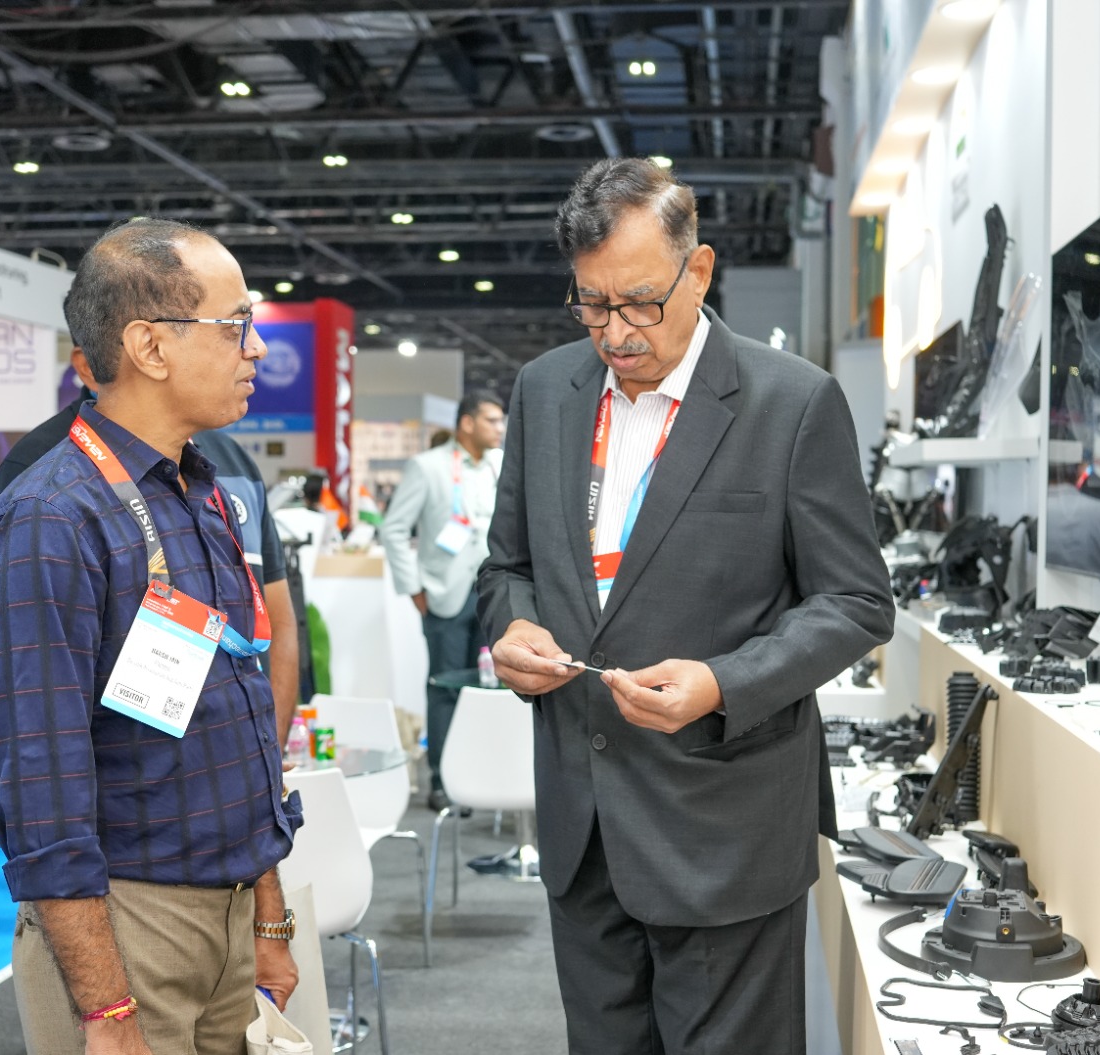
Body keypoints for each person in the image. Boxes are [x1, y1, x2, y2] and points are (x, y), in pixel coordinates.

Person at [478, 158, 895, 1054]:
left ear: (697, 271)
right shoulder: (545, 391)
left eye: (640, 302)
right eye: (592, 304)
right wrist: (512, 625)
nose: (616, 333)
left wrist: (723, 682)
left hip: (724, 830)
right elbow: (507, 565)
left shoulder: (793, 402)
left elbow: (857, 601)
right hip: (583, 827)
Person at [0, 217, 301, 1054]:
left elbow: (240, 722)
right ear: (150, 346)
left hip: (229, 917)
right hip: (127, 924)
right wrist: (106, 1006)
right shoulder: (51, 519)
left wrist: (269, 914)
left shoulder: (202, 492)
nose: (257, 347)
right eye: (236, 324)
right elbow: (40, 786)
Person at [0, 352, 301, 747]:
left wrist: (271, 750)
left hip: (236, 754)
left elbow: (278, 616)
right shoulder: (42, 476)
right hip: (138, 761)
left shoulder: (224, 464)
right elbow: (39, 705)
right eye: (229, 330)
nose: (254, 348)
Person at [379, 391, 506, 810]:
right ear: (467, 423)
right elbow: (394, 529)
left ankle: (483, 777)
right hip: (444, 595)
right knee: (445, 687)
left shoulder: (501, 465)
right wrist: (414, 588)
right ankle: (442, 781)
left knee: (490, 688)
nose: (500, 429)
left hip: (493, 593)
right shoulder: (428, 466)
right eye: (492, 420)